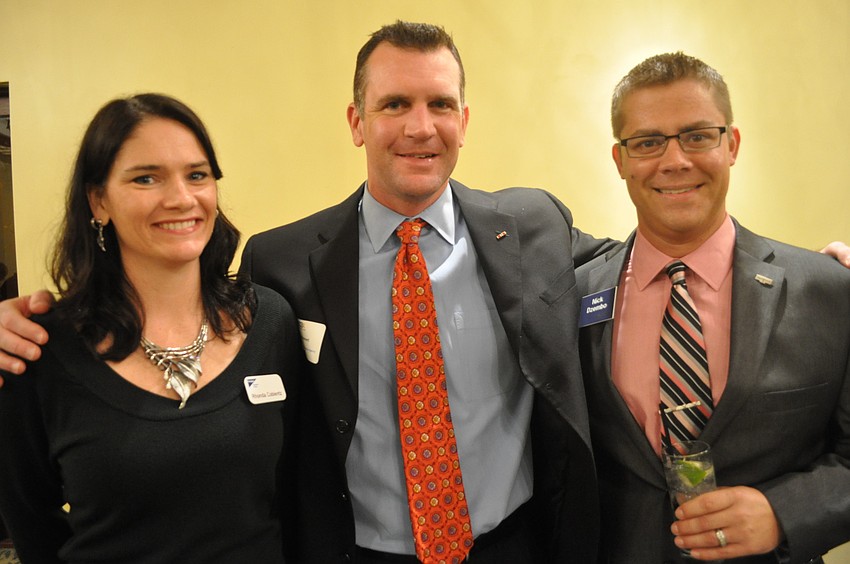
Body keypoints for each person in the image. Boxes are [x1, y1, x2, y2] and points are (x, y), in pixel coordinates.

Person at [0, 94, 302, 562]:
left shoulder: (269, 321)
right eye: (146, 178)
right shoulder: (37, 347)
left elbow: (299, 491)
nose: (181, 198)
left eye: (197, 175)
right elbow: (31, 523)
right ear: (98, 201)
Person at [576, 52, 850, 563]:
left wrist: (784, 513)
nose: (675, 160)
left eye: (698, 135)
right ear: (620, 161)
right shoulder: (573, 299)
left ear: (732, 145)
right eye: (648, 142)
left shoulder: (830, 293)